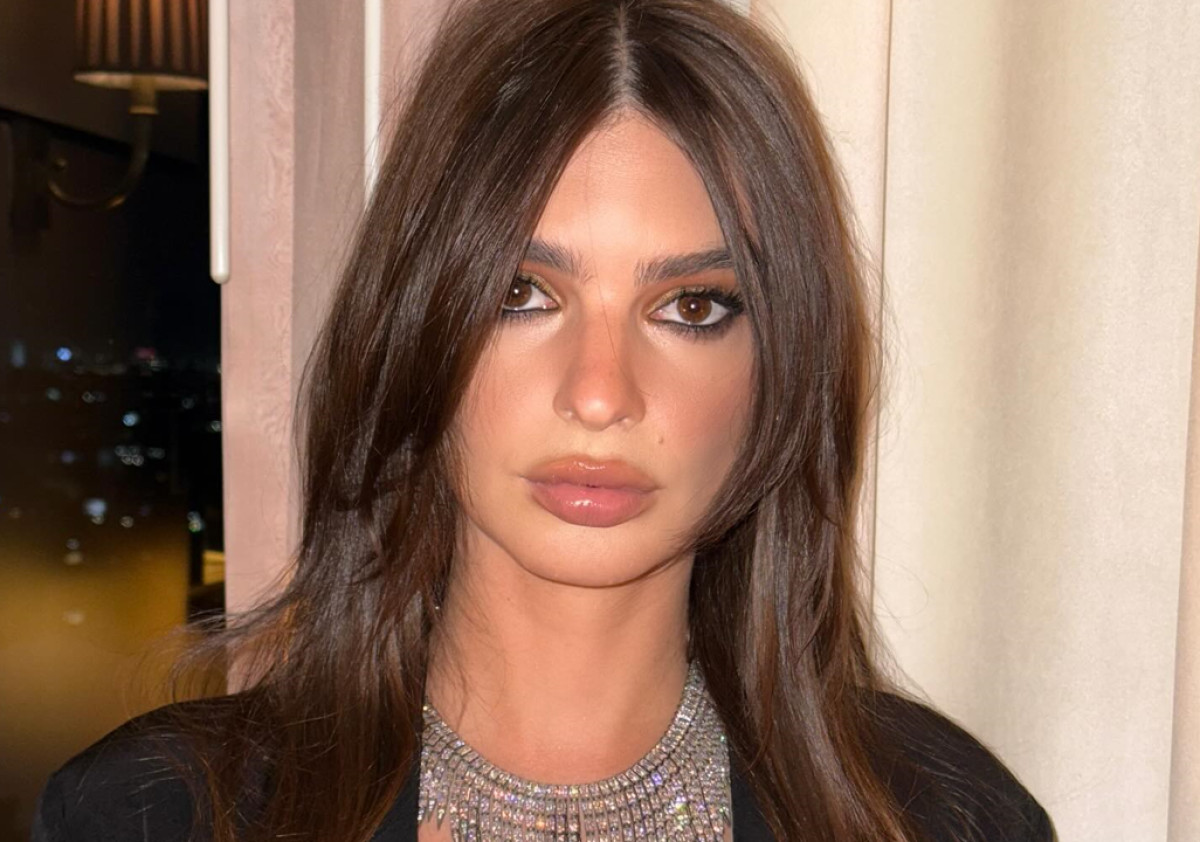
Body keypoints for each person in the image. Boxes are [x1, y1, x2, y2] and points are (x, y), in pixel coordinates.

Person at [32, 1, 1055, 840]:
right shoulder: (150, 815)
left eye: (691, 307)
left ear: (780, 370)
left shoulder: (945, 817)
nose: (600, 393)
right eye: (520, 294)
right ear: (416, 327)